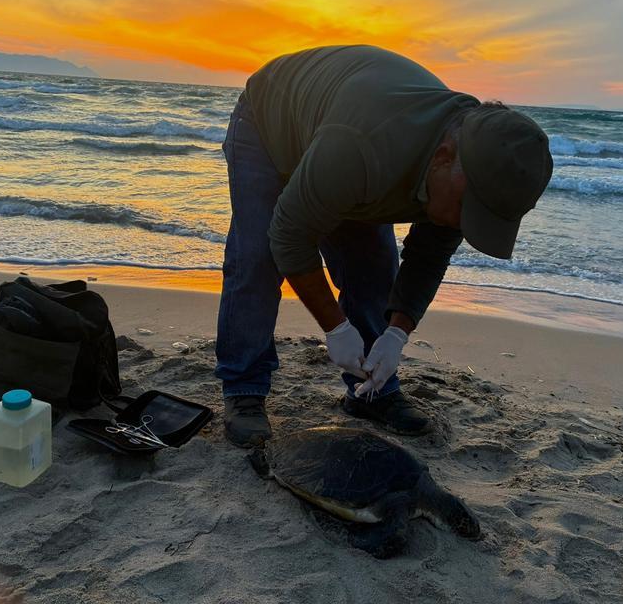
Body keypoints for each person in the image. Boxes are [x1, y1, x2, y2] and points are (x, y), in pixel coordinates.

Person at [215, 45, 552, 447]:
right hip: (269, 125)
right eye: (467, 209)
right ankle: (244, 390)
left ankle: (373, 391)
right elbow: (289, 234)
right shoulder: (364, 145)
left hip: (342, 149)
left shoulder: (474, 170)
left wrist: (397, 335)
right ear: (444, 158)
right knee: (256, 258)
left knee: (375, 269)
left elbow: (429, 256)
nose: (465, 223)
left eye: (480, 216)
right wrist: (335, 326)